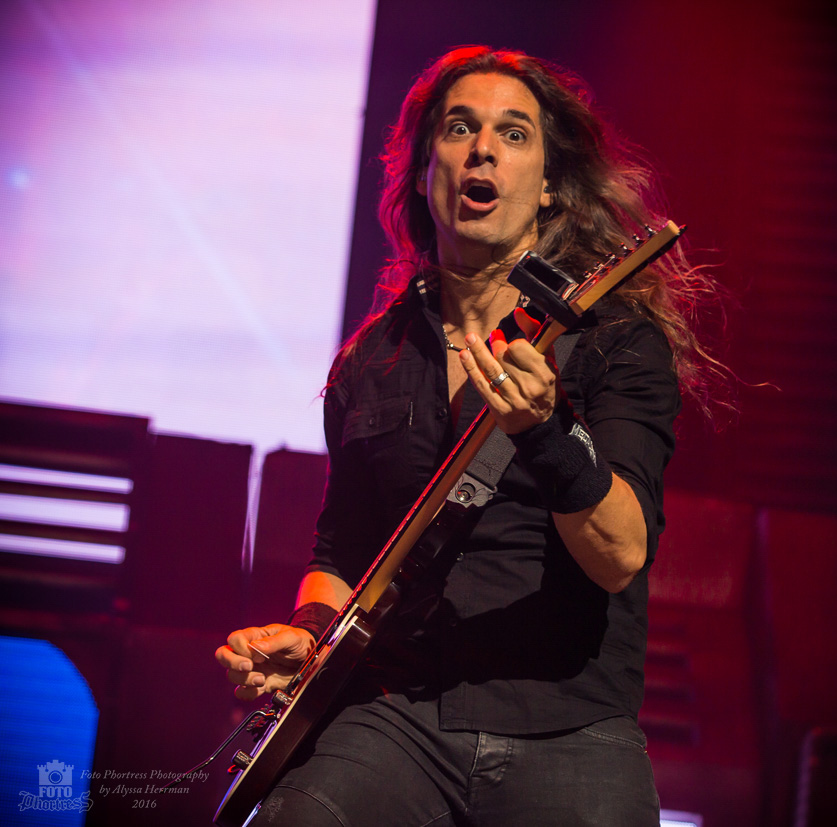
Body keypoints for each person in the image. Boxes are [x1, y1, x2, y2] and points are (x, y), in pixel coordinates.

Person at [216, 45, 724, 826]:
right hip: (398, 716)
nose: (483, 148)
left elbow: (620, 552)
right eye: (459, 128)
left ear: (549, 185)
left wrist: (545, 430)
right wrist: (306, 634)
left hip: (569, 724)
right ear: (425, 172)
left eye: (514, 134)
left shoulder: (616, 336)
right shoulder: (371, 359)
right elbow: (342, 553)